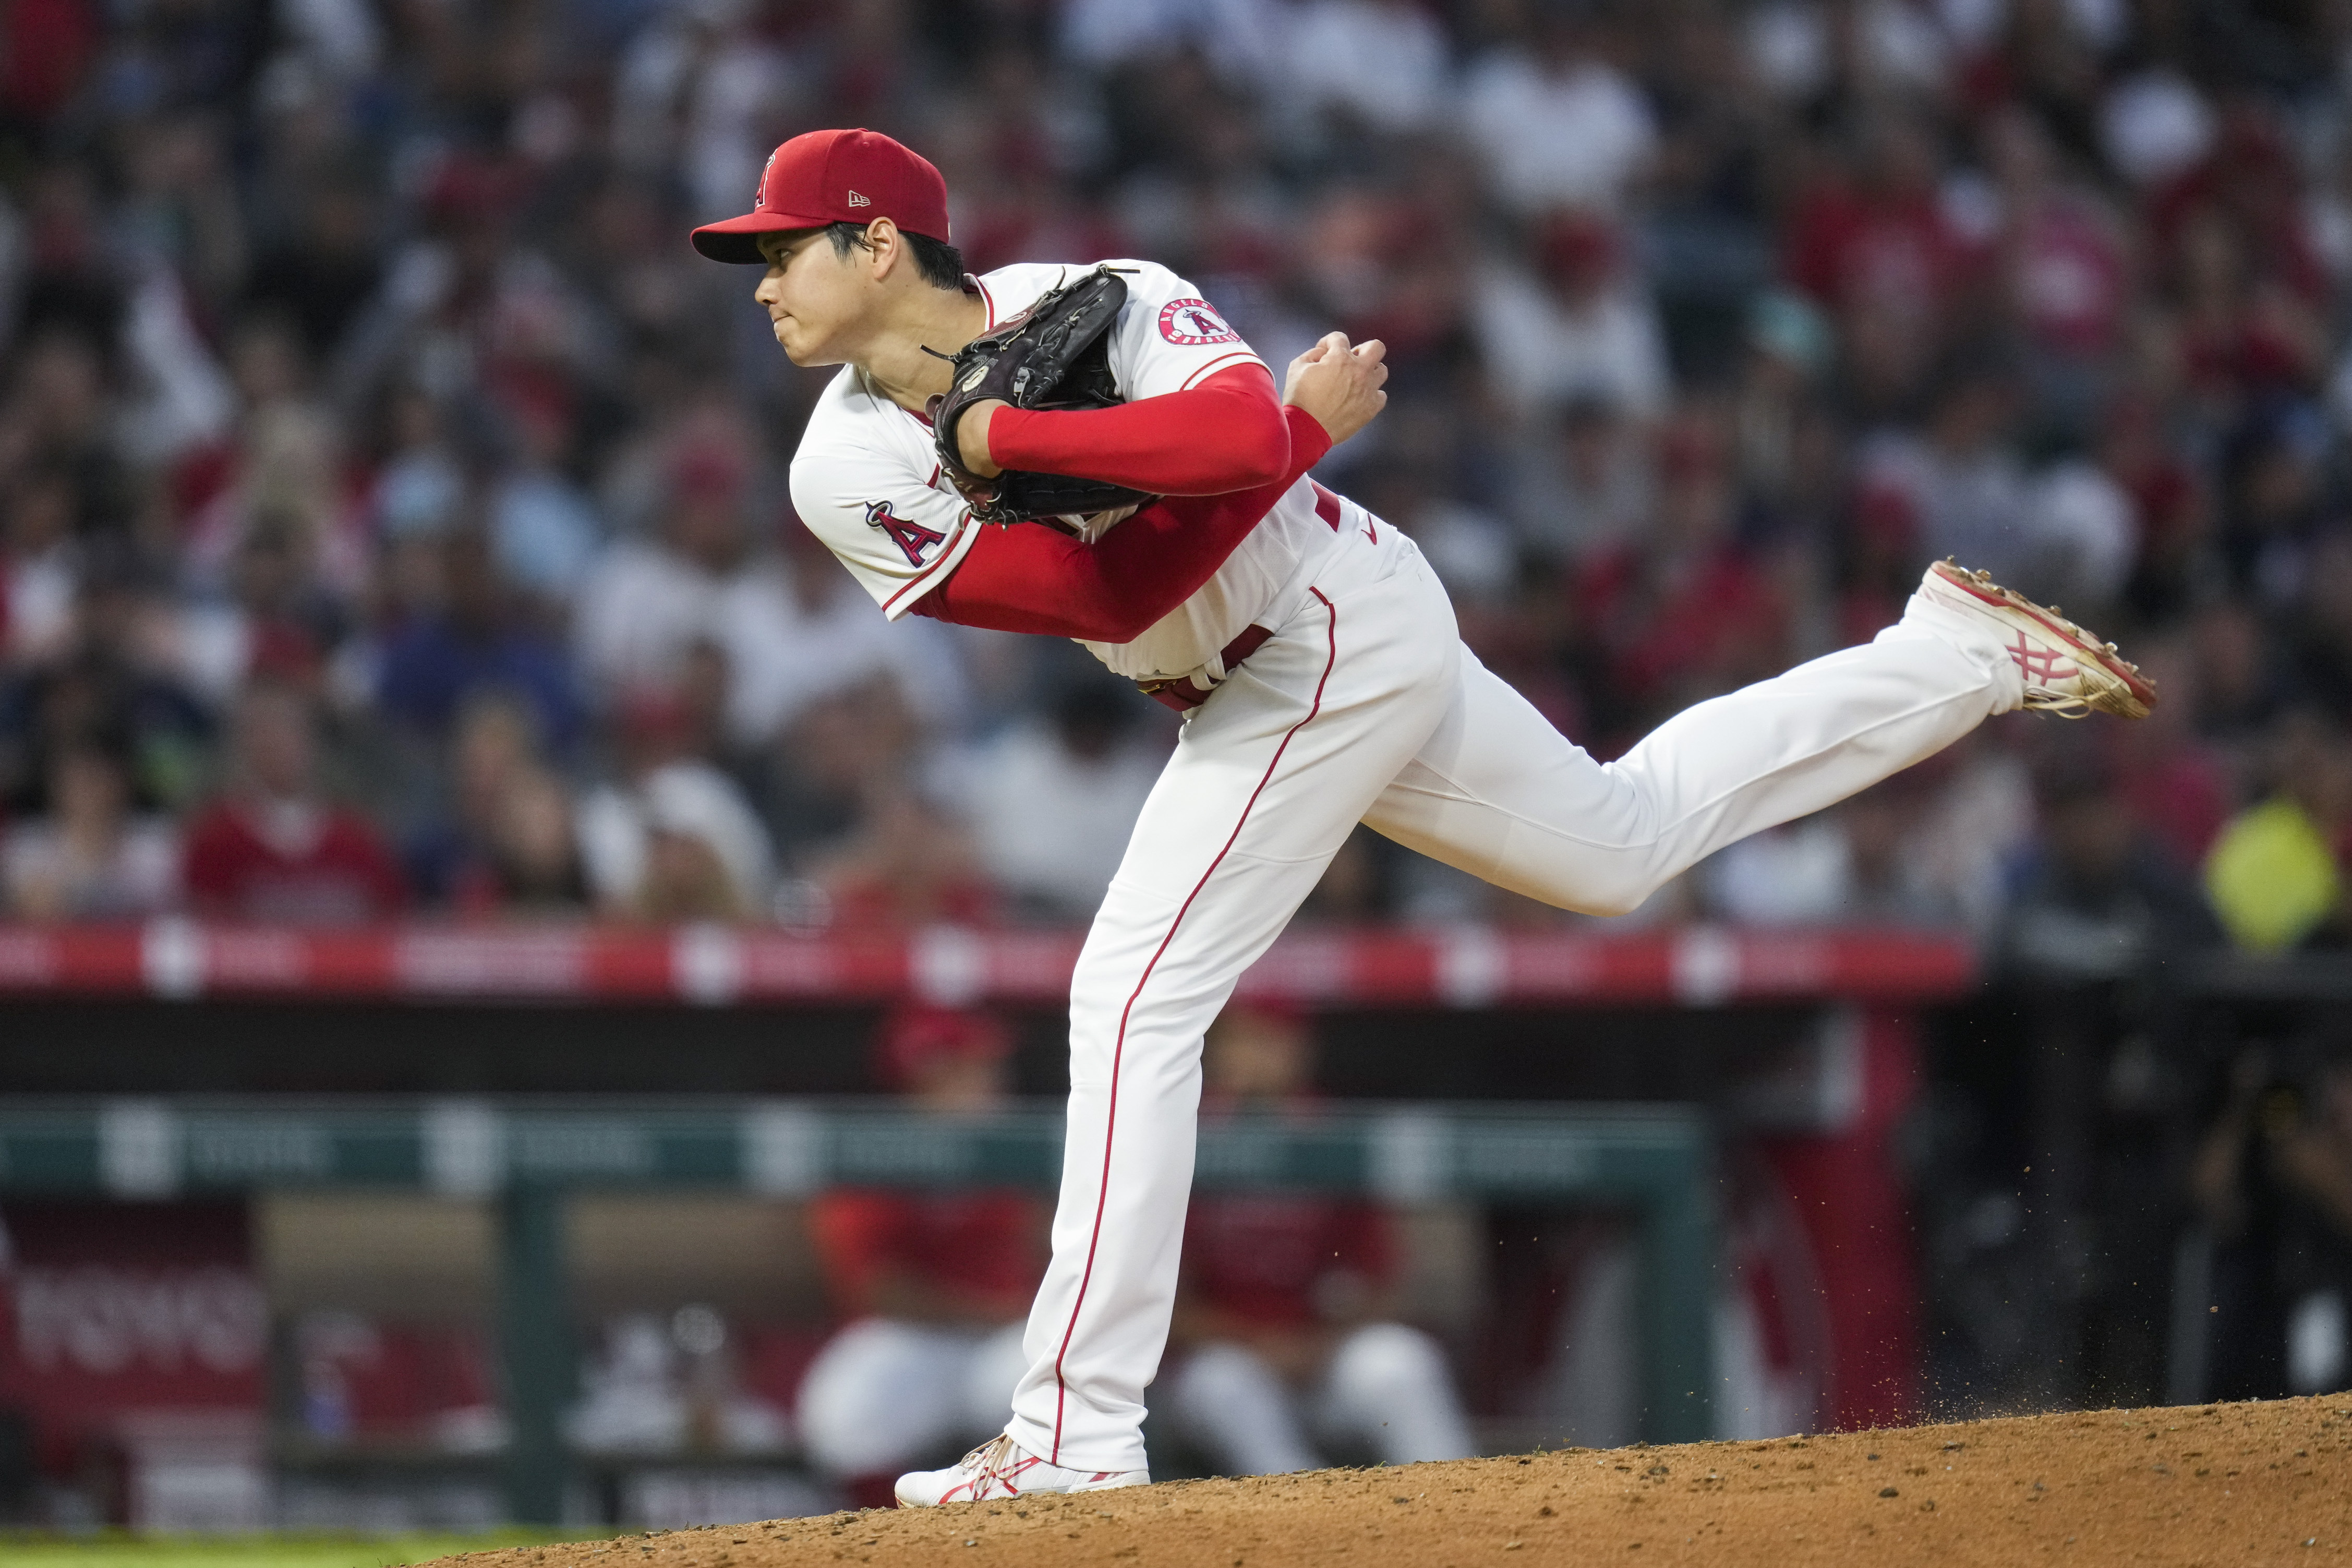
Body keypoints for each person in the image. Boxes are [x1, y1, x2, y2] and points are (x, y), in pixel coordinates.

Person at [690, 126, 2157, 1505]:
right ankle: (1955, 652)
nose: (762, 286)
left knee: (1128, 994)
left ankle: (1071, 1432)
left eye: (782, 251)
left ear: (878, 245)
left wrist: (1049, 439)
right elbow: (1108, 592)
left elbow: (1226, 437)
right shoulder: (840, 463)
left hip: (1319, 620)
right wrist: (1246, 440)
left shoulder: (1105, 292)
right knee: (1616, 844)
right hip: (1237, 652)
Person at [1164, 1002, 1474, 1475]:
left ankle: (1465, 1505)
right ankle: (1306, 1522)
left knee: (1400, 1362)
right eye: (1238, 1043)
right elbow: (1159, 1301)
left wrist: (1317, 1343)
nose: (1252, 1058)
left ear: (1299, 1051)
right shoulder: (1182, 1137)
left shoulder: (1333, 1134)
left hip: (1325, 1358)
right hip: (1229, 1360)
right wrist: (1254, 1342)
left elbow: (1386, 1283)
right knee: (1222, 1384)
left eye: (1267, 1041)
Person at [796, 1005, 1047, 1509]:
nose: (993, 1078)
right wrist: (989, 1310)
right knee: (843, 1414)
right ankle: (879, 1542)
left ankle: (1028, 1529)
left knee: (1043, 1387)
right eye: (973, 1065)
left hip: (1006, 1338)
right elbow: (878, 1290)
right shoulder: (875, 1155)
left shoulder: (1022, 1145)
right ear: (930, 1073)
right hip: (920, 1339)